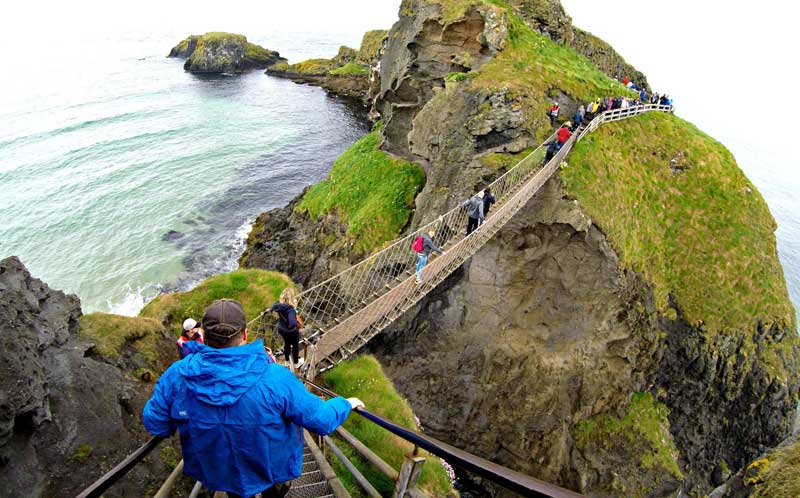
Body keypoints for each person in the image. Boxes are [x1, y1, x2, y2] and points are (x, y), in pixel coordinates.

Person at [143, 299, 365, 498]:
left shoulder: (177, 375)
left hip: (220, 471)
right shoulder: (276, 378)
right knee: (275, 489)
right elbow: (322, 420)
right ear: (245, 334)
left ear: (204, 337)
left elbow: (156, 424)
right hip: (273, 467)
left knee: (236, 490)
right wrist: (346, 403)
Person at [269, 288, 303, 367]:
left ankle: (287, 361)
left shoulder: (277, 305)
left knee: (287, 344)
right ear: (291, 297)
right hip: (291, 331)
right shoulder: (290, 309)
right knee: (295, 345)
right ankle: (296, 363)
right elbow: (292, 322)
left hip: (281, 328)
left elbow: (273, 307)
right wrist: (296, 324)